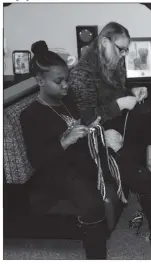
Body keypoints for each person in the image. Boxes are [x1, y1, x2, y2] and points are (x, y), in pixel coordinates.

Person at [68, 21, 151, 257]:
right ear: (103, 42)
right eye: (120, 49)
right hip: (99, 135)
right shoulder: (81, 74)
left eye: (125, 50)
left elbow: (118, 95)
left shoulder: (114, 65)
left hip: (121, 126)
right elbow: (88, 117)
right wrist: (120, 104)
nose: (123, 55)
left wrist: (132, 93)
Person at [20, 40, 106, 259]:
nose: (66, 85)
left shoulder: (65, 100)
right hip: (54, 172)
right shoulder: (32, 115)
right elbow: (37, 160)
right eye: (59, 81)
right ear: (40, 80)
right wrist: (65, 141)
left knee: (123, 162)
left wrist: (91, 127)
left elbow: (78, 123)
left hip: (77, 159)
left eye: (67, 79)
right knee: (92, 205)